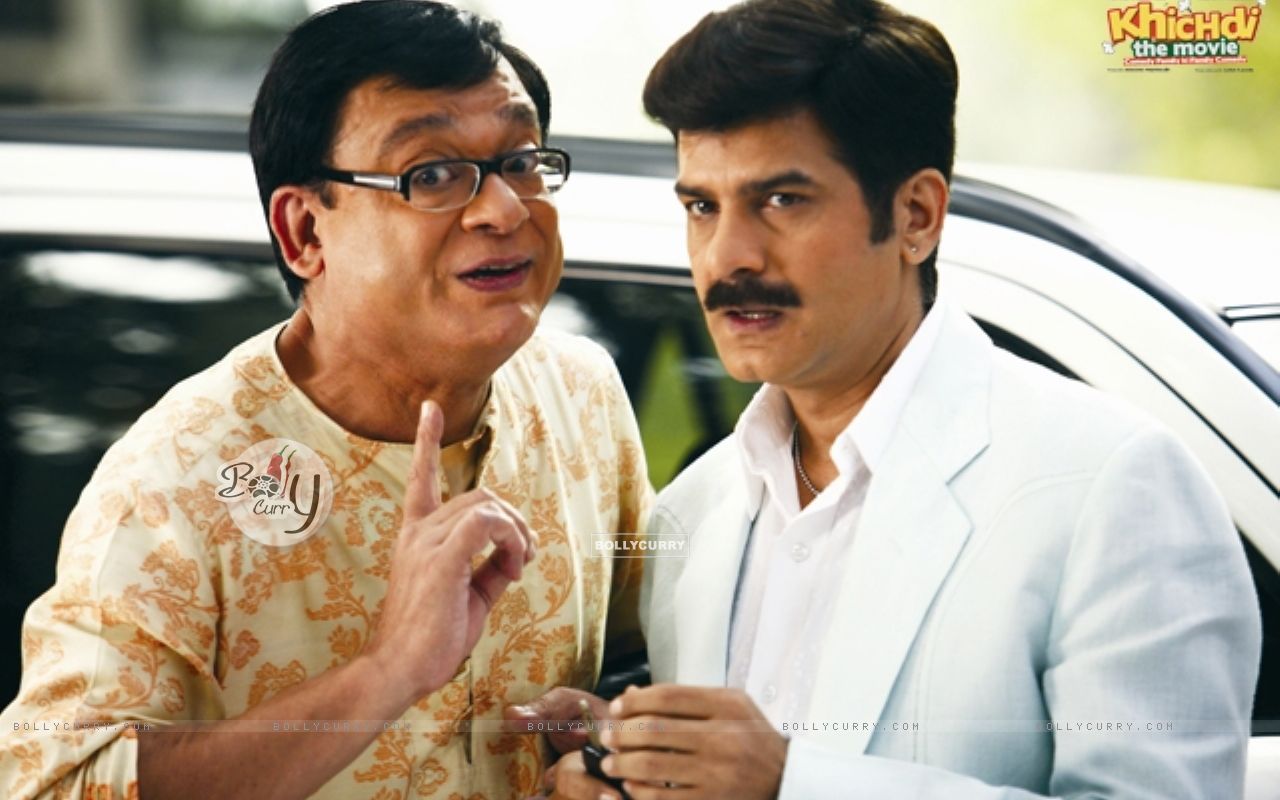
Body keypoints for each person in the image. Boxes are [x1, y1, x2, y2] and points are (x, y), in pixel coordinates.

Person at [537, 0, 1261, 797]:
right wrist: (634, 765)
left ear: (917, 215)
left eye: (782, 200)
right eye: (702, 206)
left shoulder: (1112, 485)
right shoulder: (695, 511)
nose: (728, 256)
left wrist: (793, 784)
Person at [0, 2, 649, 798]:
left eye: (519, 160)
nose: (504, 208)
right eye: (431, 175)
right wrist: (387, 672)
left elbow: (652, 654)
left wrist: (612, 737)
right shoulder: (178, 479)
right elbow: (58, 782)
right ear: (305, 232)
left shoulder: (581, 395)